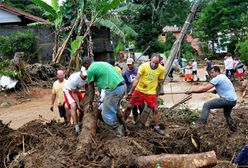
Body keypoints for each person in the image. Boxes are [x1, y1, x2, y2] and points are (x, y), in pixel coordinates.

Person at [82, 57, 126, 138]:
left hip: (114, 89)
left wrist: (90, 103)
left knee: (106, 114)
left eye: (85, 67)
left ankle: (119, 133)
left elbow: (91, 89)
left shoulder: (91, 69)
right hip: (122, 87)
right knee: (115, 110)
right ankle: (125, 128)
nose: (86, 68)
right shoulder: (101, 63)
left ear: (86, 64)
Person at [185, 66, 237, 131]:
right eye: (210, 73)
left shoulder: (217, 78)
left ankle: (201, 125)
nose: (211, 75)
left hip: (227, 100)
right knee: (227, 115)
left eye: (212, 73)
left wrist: (192, 91)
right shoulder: (223, 76)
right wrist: (216, 90)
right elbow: (225, 87)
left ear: (217, 72)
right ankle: (234, 128)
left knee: (206, 105)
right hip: (233, 101)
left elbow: (204, 89)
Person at [124, 54, 165, 135]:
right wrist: (130, 91)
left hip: (151, 92)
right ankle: (122, 124)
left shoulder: (161, 69)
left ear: (159, 63)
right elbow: (137, 78)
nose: (154, 64)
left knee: (155, 109)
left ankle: (156, 127)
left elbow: (160, 81)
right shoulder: (143, 66)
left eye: (156, 63)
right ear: (150, 60)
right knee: (129, 107)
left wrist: (157, 91)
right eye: (153, 62)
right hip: (139, 90)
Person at [63, 67, 87, 135]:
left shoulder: (88, 76)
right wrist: (78, 103)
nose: (85, 77)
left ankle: (79, 122)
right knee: (73, 106)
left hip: (76, 89)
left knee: (82, 105)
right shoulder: (74, 79)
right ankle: (76, 127)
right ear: (80, 72)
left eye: (86, 75)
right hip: (69, 90)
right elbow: (73, 93)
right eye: (84, 75)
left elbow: (88, 86)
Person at [123, 58, 143, 122]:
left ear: (133, 63)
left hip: (139, 91)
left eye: (130, 64)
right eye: (128, 65)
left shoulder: (138, 71)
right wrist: (126, 93)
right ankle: (135, 118)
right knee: (133, 107)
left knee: (141, 106)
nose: (129, 66)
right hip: (131, 92)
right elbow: (125, 84)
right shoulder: (125, 73)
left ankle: (142, 119)